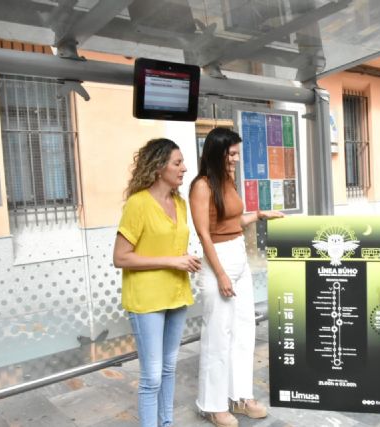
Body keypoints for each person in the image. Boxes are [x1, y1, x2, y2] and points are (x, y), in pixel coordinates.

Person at [190, 127, 284, 427]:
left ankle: (239, 396)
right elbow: (204, 233)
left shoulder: (227, 182)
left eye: (237, 154)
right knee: (218, 336)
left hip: (238, 256)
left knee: (244, 332)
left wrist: (258, 215)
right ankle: (212, 404)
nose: (236, 159)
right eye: (232, 154)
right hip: (218, 261)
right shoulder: (201, 186)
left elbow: (232, 221)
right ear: (217, 153)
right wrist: (220, 274)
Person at [113, 138, 202, 427]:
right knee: (151, 376)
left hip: (176, 294)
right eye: (177, 163)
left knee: (168, 369)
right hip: (146, 300)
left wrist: (185, 258)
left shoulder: (180, 203)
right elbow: (120, 257)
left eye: (182, 162)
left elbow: (170, 246)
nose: (184, 168)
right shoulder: (138, 204)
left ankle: (166, 423)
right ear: (158, 166)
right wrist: (172, 261)